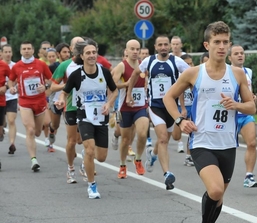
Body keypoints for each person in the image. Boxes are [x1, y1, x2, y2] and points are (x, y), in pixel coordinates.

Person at [163, 21, 256, 223]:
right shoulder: (194, 73)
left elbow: (252, 106)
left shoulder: (237, 74)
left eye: (226, 42)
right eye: (217, 42)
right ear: (207, 44)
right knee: (214, 189)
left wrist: (236, 105)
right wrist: (180, 120)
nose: (222, 46)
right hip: (201, 142)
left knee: (219, 196)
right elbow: (169, 98)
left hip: (227, 144)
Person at [56, 39, 118, 199]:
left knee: (102, 157)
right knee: (90, 150)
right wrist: (62, 99)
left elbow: (114, 90)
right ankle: (92, 185)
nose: (91, 55)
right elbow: (65, 90)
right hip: (84, 116)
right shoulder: (77, 75)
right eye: (88, 53)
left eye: (93, 52)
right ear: (81, 56)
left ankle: (86, 154)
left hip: (101, 117)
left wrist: (109, 104)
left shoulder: (104, 72)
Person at [126, 35, 190, 190]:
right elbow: (135, 74)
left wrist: (185, 103)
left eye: (165, 44)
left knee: (165, 140)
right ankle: (167, 174)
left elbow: (192, 76)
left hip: (171, 108)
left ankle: (153, 155)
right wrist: (129, 94)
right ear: (155, 47)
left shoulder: (177, 62)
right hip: (155, 107)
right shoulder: (149, 61)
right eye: (160, 45)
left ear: (169, 46)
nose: (163, 47)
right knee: (162, 139)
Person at [8, 41, 53, 171]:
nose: (26, 51)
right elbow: (11, 81)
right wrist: (11, 88)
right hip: (24, 101)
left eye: (29, 48)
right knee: (30, 130)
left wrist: (44, 86)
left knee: (38, 132)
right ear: (21, 51)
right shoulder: (17, 66)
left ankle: (43, 134)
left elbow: (51, 80)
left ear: (33, 50)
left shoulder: (41, 64)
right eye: (24, 49)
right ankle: (34, 160)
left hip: (39, 102)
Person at [50, 36, 86, 183]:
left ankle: (85, 164)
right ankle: (70, 168)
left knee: (84, 140)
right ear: (71, 49)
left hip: (88, 107)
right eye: (76, 45)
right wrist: (67, 87)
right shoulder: (65, 66)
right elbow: (52, 86)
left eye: (82, 44)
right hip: (71, 106)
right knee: (72, 141)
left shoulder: (91, 63)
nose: (79, 46)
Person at [112, 40, 149, 178]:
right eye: (132, 49)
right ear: (126, 51)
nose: (135, 52)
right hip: (125, 107)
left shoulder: (143, 65)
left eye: (137, 49)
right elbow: (113, 85)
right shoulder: (122, 66)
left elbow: (147, 81)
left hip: (140, 106)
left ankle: (138, 160)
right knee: (126, 139)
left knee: (143, 133)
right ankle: (122, 165)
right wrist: (126, 84)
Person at [228, 44, 257, 188]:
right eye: (236, 53)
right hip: (230, 114)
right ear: (230, 57)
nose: (240, 55)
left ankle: (249, 175)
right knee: (228, 147)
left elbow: (247, 90)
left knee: (252, 143)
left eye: (242, 53)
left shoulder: (249, 72)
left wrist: (252, 98)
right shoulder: (226, 72)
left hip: (245, 114)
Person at [46, 42, 71, 152]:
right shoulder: (52, 67)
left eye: (68, 52)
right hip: (55, 99)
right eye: (64, 52)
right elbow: (49, 84)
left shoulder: (72, 66)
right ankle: (51, 130)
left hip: (68, 99)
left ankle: (71, 147)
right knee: (55, 125)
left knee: (70, 125)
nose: (67, 54)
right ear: (58, 54)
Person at [171, 53, 195, 166]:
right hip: (182, 106)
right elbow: (180, 92)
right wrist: (183, 108)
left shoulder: (194, 74)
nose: (189, 65)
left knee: (192, 132)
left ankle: (189, 156)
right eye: (187, 63)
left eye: (191, 63)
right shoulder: (181, 76)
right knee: (176, 136)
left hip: (193, 106)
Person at [1, 44, 18, 154]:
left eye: (9, 52)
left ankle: (12, 143)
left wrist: (9, 87)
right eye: (5, 52)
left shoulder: (15, 65)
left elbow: (14, 78)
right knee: (3, 122)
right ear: (1, 53)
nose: (8, 54)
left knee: (11, 120)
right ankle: (2, 127)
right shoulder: (1, 65)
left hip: (11, 96)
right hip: (1, 98)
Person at [0, 60, 10, 145]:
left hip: (0, 100)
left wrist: (6, 87)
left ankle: (1, 128)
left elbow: (13, 78)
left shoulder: (3, 65)